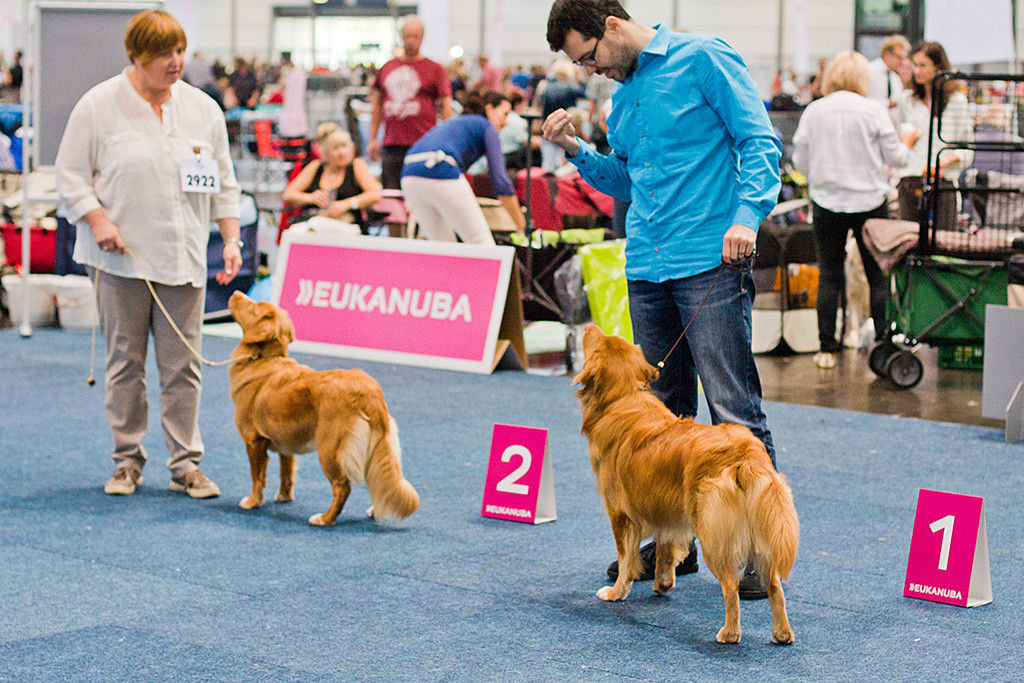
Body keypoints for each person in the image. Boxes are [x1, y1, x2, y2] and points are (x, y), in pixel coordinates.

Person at [542, 0, 781, 600]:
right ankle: (670, 547)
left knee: (734, 411)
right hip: (647, 264)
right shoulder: (622, 99)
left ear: (613, 28)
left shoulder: (705, 58)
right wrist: (577, 151)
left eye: (589, 56)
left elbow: (759, 142)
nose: (591, 70)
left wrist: (748, 215)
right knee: (659, 413)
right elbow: (626, 180)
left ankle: (758, 554)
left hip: (711, 259)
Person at [54, 10, 241, 499]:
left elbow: (224, 181)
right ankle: (126, 461)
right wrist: (98, 220)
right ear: (136, 56)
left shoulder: (203, 110)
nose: (175, 61)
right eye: (163, 54)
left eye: (179, 50)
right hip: (121, 262)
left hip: (185, 260)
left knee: (185, 368)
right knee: (125, 365)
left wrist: (233, 238)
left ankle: (185, 465)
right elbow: (70, 176)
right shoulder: (97, 106)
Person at [792, 51, 913, 369]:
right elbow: (896, 158)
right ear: (863, 78)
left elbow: (800, 163)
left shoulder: (814, 111)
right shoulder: (874, 110)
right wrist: (909, 141)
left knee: (829, 275)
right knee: (877, 276)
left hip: (826, 204)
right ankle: (884, 345)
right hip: (870, 204)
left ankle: (826, 349)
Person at [401, 91, 527, 245]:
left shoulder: (457, 122)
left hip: (409, 174)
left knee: (441, 247)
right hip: (440, 170)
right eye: (505, 114)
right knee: (482, 244)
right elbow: (501, 182)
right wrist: (521, 225)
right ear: (489, 109)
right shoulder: (486, 125)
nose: (506, 122)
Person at [368, 16, 454, 190]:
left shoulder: (435, 69)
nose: (411, 41)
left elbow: (446, 105)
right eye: (407, 36)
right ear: (401, 36)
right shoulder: (386, 68)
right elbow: (377, 105)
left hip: (424, 144)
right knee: (392, 194)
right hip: (392, 145)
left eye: (415, 36)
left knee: (422, 193)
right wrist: (372, 139)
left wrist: (447, 141)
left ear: (422, 38)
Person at [895, 41, 973, 226]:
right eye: (914, 65)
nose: (917, 71)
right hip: (910, 180)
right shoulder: (907, 100)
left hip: (943, 184)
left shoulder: (957, 101)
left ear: (938, 66)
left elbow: (967, 149)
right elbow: (899, 141)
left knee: (944, 242)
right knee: (909, 241)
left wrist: (943, 163)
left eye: (923, 65)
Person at [282, 123, 382, 235]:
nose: (341, 153)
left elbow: (374, 194)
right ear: (325, 152)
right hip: (314, 221)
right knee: (293, 232)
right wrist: (311, 197)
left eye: (344, 146)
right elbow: (288, 194)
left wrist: (347, 204)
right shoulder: (316, 167)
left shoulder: (357, 166)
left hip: (347, 224)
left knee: (316, 225)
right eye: (335, 148)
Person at [867, 35, 910, 124]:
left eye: (903, 58)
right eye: (899, 57)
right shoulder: (870, 71)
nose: (902, 62)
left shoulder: (895, 78)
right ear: (886, 54)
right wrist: (888, 104)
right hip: (872, 122)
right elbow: (864, 100)